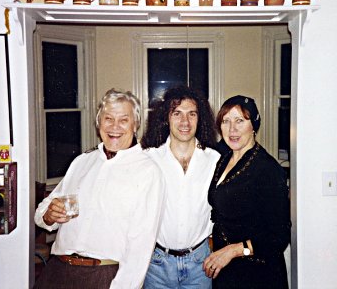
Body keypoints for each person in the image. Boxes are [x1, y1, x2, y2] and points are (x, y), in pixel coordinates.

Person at [34, 88, 165, 289]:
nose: (115, 127)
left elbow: (141, 246)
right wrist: (50, 215)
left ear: (136, 124)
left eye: (123, 120)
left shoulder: (148, 171)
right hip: (56, 271)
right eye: (108, 119)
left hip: (103, 275)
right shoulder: (82, 161)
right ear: (99, 123)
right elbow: (42, 212)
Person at [203, 95, 291, 288]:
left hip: (257, 274)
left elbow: (279, 237)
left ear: (254, 125)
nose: (232, 129)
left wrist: (234, 250)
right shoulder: (224, 158)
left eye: (240, 121)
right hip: (226, 270)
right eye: (226, 121)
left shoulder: (267, 169)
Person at [141, 86, 220, 288]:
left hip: (200, 263)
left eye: (191, 114)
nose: (185, 122)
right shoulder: (149, 158)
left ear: (199, 118)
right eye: (177, 114)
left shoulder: (214, 160)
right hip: (157, 263)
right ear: (166, 118)